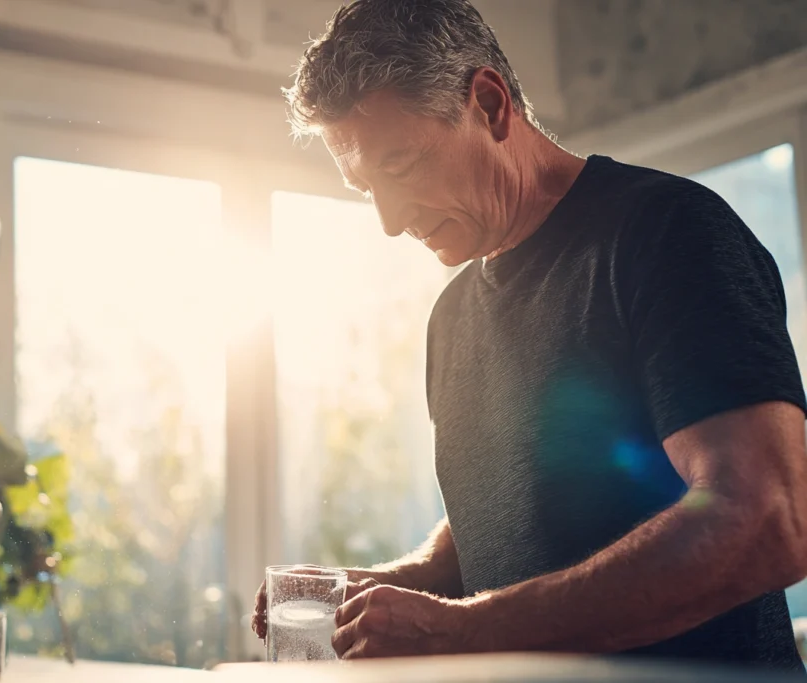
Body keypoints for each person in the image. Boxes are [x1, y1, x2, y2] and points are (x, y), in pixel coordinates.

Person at [252, 0, 807, 672]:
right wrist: (388, 590)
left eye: (398, 165)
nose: (390, 222)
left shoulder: (668, 234)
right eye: (366, 186)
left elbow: (767, 516)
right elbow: (499, 539)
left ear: (489, 104)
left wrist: (461, 631)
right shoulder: (452, 317)